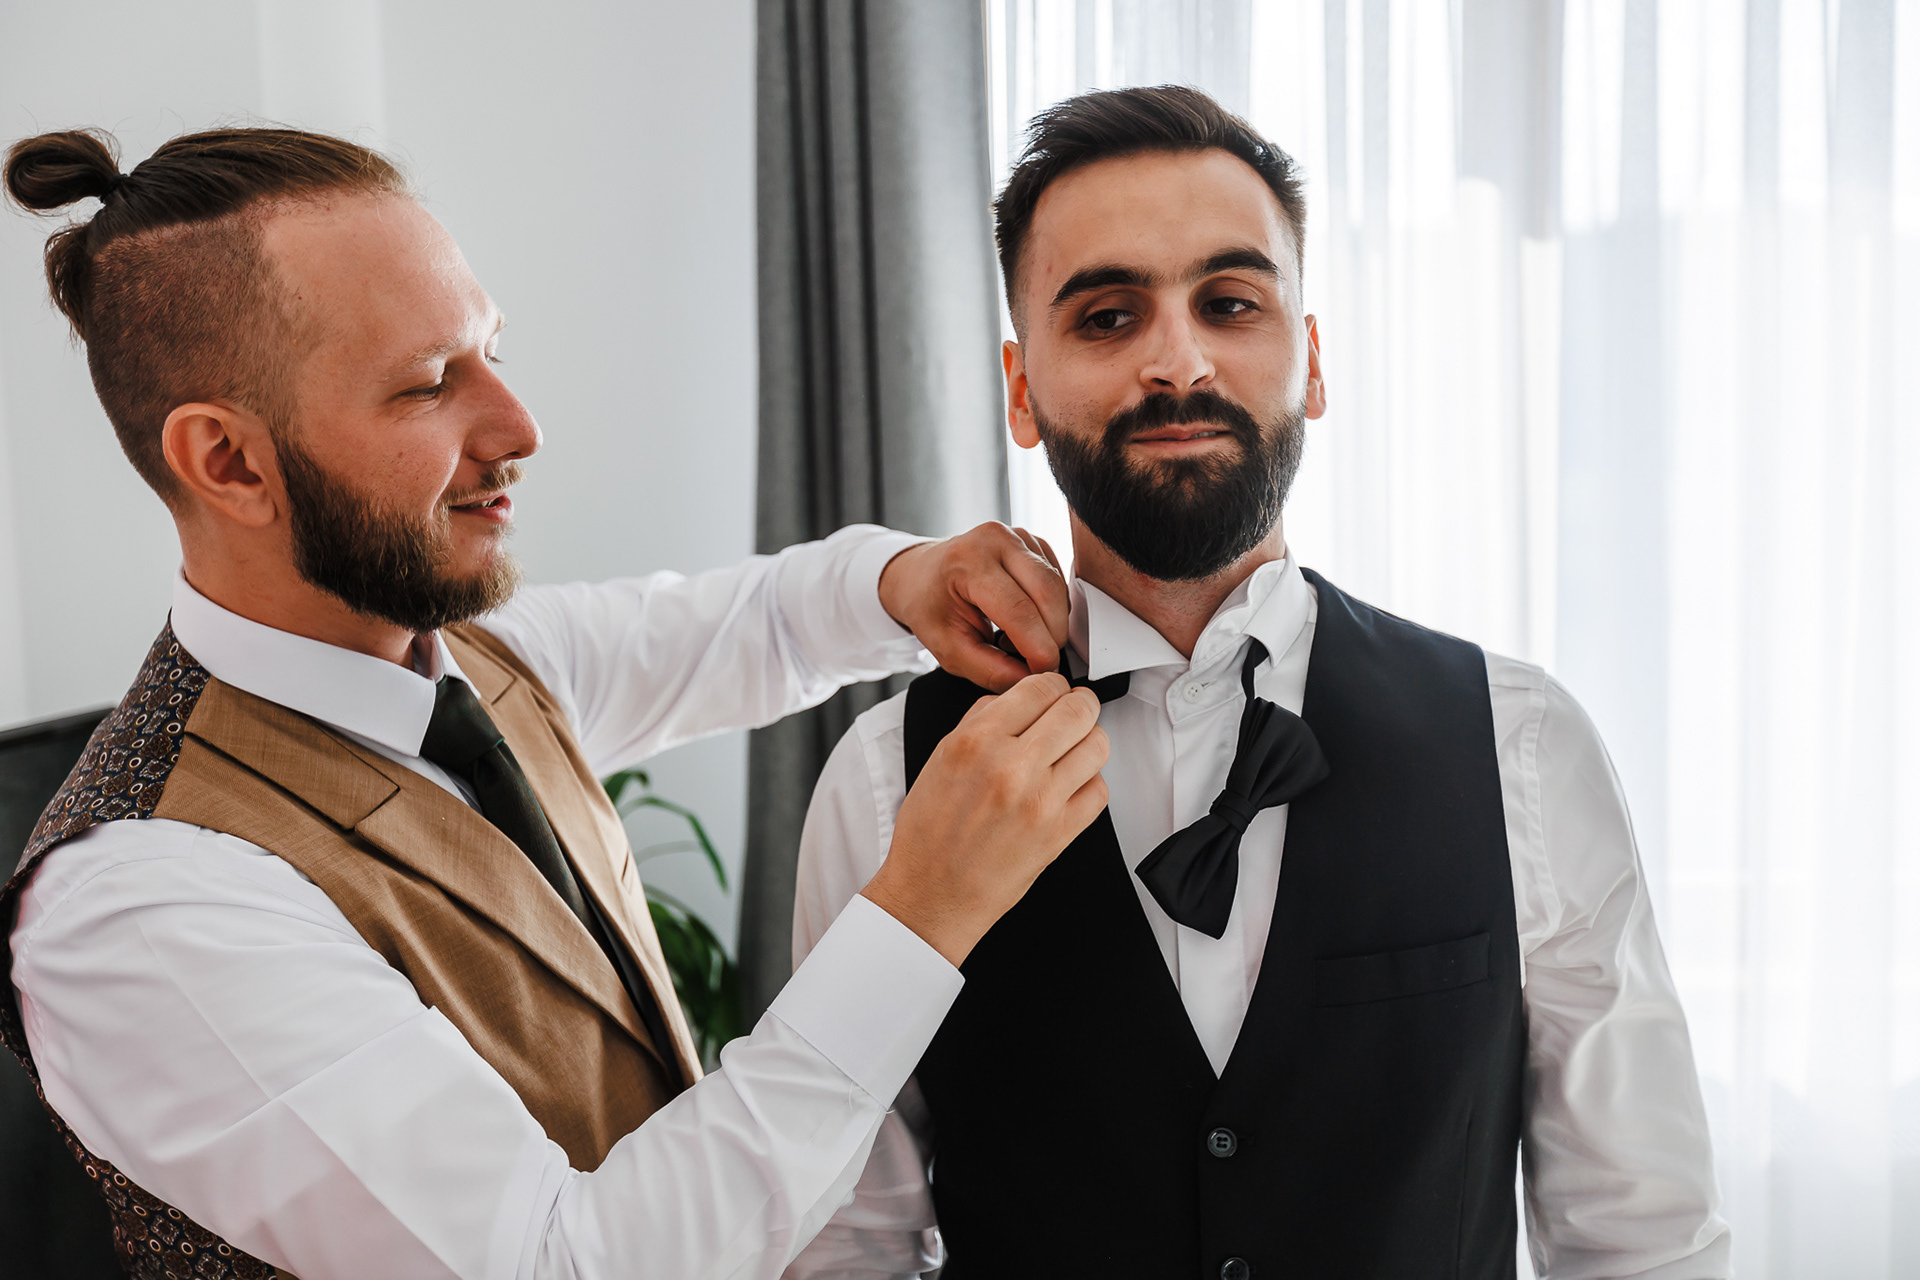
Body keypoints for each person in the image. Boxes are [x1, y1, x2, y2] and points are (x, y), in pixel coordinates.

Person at [0, 126, 1112, 1280]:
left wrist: (903, 577)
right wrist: (922, 910)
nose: (519, 428)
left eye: (491, 350)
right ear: (228, 462)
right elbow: (560, 1264)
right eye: (428, 384)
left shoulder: (486, 662)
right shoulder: (140, 910)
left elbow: (761, 623)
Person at [788, 86, 1730, 1279]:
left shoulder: (1522, 746)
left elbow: (1643, 1241)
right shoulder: (885, 782)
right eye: (1108, 317)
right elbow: (839, 1245)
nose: (1177, 361)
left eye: (1229, 303)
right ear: (1021, 391)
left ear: (1312, 360)